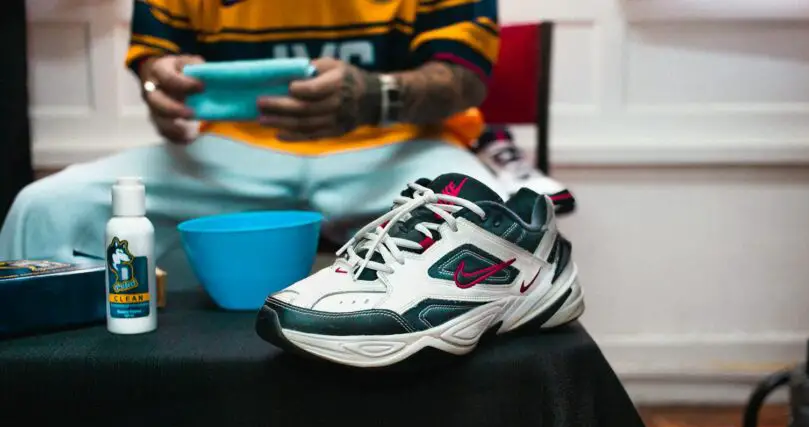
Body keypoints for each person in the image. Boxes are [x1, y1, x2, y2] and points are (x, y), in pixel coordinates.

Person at [0, 0, 501, 270]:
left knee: (503, 226)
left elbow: (466, 77)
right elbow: (157, 64)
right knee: (46, 210)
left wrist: (375, 96)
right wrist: (163, 86)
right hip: (231, 154)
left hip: (394, 150)